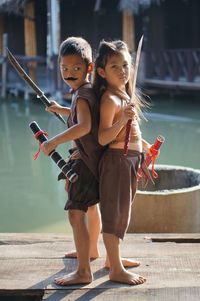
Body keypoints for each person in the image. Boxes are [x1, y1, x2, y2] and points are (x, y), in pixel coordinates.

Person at [41, 37, 103, 285]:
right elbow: (81, 115)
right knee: (92, 207)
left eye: (76, 68)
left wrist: (53, 141)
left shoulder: (83, 94)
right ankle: (92, 251)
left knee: (76, 213)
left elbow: (84, 125)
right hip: (93, 161)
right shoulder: (87, 92)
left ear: (89, 67)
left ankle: (83, 271)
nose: (69, 73)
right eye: (64, 68)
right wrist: (61, 109)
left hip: (85, 163)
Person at [94, 39, 155, 285]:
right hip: (117, 161)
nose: (123, 71)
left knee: (123, 214)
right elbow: (103, 137)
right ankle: (115, 269)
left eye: (126, 65)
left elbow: (134, 132)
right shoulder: (110, 99)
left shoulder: (125, 95)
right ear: (102, 72)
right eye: (115, 67)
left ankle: (113, 259)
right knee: (113, 214)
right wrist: (121, 121)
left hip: (130, 160)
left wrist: (147, 147)